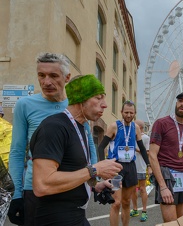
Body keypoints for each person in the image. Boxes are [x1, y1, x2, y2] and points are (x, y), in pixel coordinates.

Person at [8, 53, 98, 226]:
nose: (46, 82)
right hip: (35, 190)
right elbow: (18, 151)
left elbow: (89, 145)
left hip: (71, 187)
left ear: (67, 78)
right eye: (41, 75)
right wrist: (16, 194)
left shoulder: (77, 104)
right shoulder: (24, 105)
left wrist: (95, 181)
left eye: (54, 76)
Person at [30, 74, 123, 225]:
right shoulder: (54, 127)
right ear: (81, 98)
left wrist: (95, 185)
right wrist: (94, 170)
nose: (105, 104)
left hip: (77, 215)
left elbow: (72, 170)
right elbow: (42, 185)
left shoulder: (81, 128)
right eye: (98, 98)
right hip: (56, 219)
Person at [98, 100, 151, 226]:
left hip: (130, 167)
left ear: (135, 113)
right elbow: (101, 147)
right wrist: (103, 165)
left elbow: (142, 149)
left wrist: (148, 165)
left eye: (131, 113)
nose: (128, 115)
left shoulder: (136, 128)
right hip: (116, 167)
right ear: (121, 112)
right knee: (116, 203)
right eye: (126, 112)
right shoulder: (114, 126)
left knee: (126, 202)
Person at [149, 92, 183, 222]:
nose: (182, 104)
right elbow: (152, 155)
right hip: (167, 175)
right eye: (180, 100)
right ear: (176, 103)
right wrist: (163, 186)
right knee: (171, 223)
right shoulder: (161, 123)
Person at [130, 119, 151, 222]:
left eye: (135, 126)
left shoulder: (146, 138)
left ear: (140, 128)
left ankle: (144, 211)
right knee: (133, 189)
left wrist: (136, 149)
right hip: (131, 167)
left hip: (141, 167)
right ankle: (135, 209)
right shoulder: (131, 137)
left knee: (142, 189)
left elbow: (147, 153)